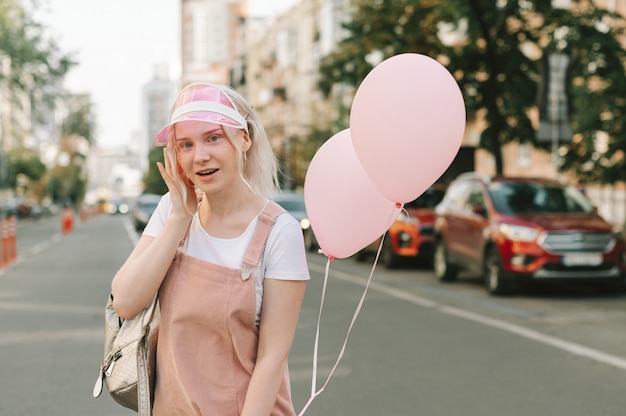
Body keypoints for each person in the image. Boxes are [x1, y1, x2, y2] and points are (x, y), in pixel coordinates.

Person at [111, 82, 310, 415]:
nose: (200, 156)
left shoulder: (279, 232)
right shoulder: (171, 211)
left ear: (243, 139)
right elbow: (126, 301)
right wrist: (179, 219)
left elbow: (272, 359)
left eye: (213, 138)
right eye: (185, 144)